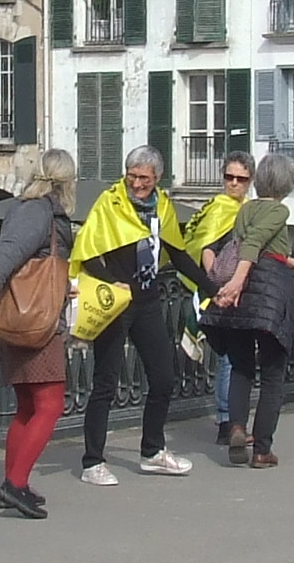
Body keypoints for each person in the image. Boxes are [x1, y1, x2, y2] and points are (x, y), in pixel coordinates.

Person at [69, 145, 206, 485]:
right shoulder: (110, 202)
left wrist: (215, 288)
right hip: (115, 302)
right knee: (106, 381)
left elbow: (179, 254)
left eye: (144, 178)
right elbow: (87, 252)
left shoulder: (163, 206)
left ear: (157, 178)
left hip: (147, 301)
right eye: (132, 176)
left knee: (163, 376)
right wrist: (110, 282)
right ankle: (92, 462)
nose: (137, 183)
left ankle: (152, 451)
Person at [0, 148, 79, 519]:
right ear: (66, 181)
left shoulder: (23, 208)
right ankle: (14, 483)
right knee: (50, 406)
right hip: (37, 322)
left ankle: (15, 481)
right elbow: (7, 253)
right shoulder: (39, 212)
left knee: (26, 407)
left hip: (20, 314)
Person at [205, 152, 294, 466]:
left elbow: (244, 242)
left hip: (243, 299)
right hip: (268, 293)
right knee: (273, 372)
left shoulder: (245, 209)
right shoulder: (279, 210)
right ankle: (262, 448)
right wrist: (238, 280)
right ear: (287, 183)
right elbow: (255, 244)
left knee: (242, 366)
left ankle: (235, 425)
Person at [187, 151, 254, 442]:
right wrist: (217, 284)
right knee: (230, 355)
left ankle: (232, 418)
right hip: (222, 290)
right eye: (229, 177)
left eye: (240, 179)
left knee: (238, 355)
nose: (234, 184)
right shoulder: (218, 208)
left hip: (245, 290)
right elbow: (206, 246)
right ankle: (227, 419)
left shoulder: (251, 209)